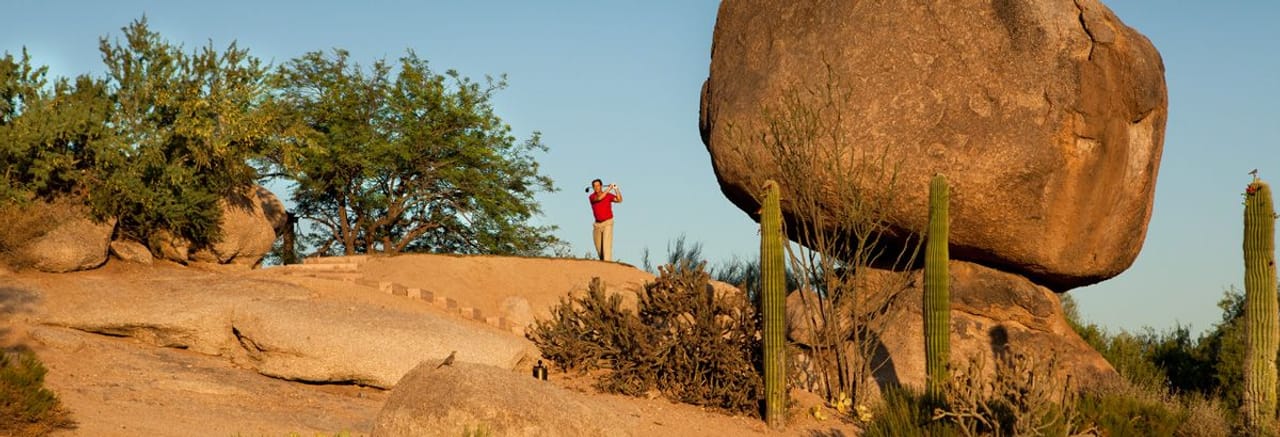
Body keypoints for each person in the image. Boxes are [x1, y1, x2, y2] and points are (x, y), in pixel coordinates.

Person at [586, 178, 622, 261]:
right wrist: (609, 188)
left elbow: (619, 200)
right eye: (594, 186)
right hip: (597, 225)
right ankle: (604, 266)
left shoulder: (608, 195)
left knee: (606, 247)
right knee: (599, 249)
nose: (596, 187)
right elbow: (599, 198)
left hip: (608, 223)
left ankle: (608, 266)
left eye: (598, 185)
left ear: (601, 186)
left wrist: (616, 189)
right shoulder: (592, 197)